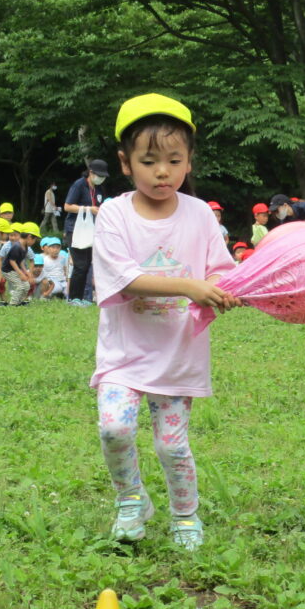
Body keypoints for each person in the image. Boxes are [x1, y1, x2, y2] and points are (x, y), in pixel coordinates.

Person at [91, 93, 239, 551]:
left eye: (174, 160)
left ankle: (185, 515)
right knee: (114, 429)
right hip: (124, 355)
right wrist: (192, 287)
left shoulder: (199, 215)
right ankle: (131, 498)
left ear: (189, 161)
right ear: (125, 162)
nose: (162, 171)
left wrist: (223, 288)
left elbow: (222, 269)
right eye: (149, 160)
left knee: (172, 446)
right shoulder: (114, 214)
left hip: (178, 357)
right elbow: (127, 280)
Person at [64, 159, 109, 306]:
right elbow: (67, 206)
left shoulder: (99, 189)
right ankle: (73, 298)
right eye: (99, 175)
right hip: (75, 229)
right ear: (91, 172)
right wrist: (88, 209)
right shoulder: (79, 185)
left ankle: (83, 298)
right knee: (80, 264)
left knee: (88, 263)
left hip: (91, 231)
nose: (101, 178)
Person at [2, 225, 35, 306]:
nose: (34, 242)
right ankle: (13, 304)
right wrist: (21, 274)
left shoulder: (25, 247)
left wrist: (25, 272)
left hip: (16, 269)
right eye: (34, 239)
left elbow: (20, 261)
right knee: (20, 286)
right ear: (29, 237)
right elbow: (12, 261)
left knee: (26, 286)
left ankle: (19, 302)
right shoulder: (17, 247)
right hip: (8, 270)